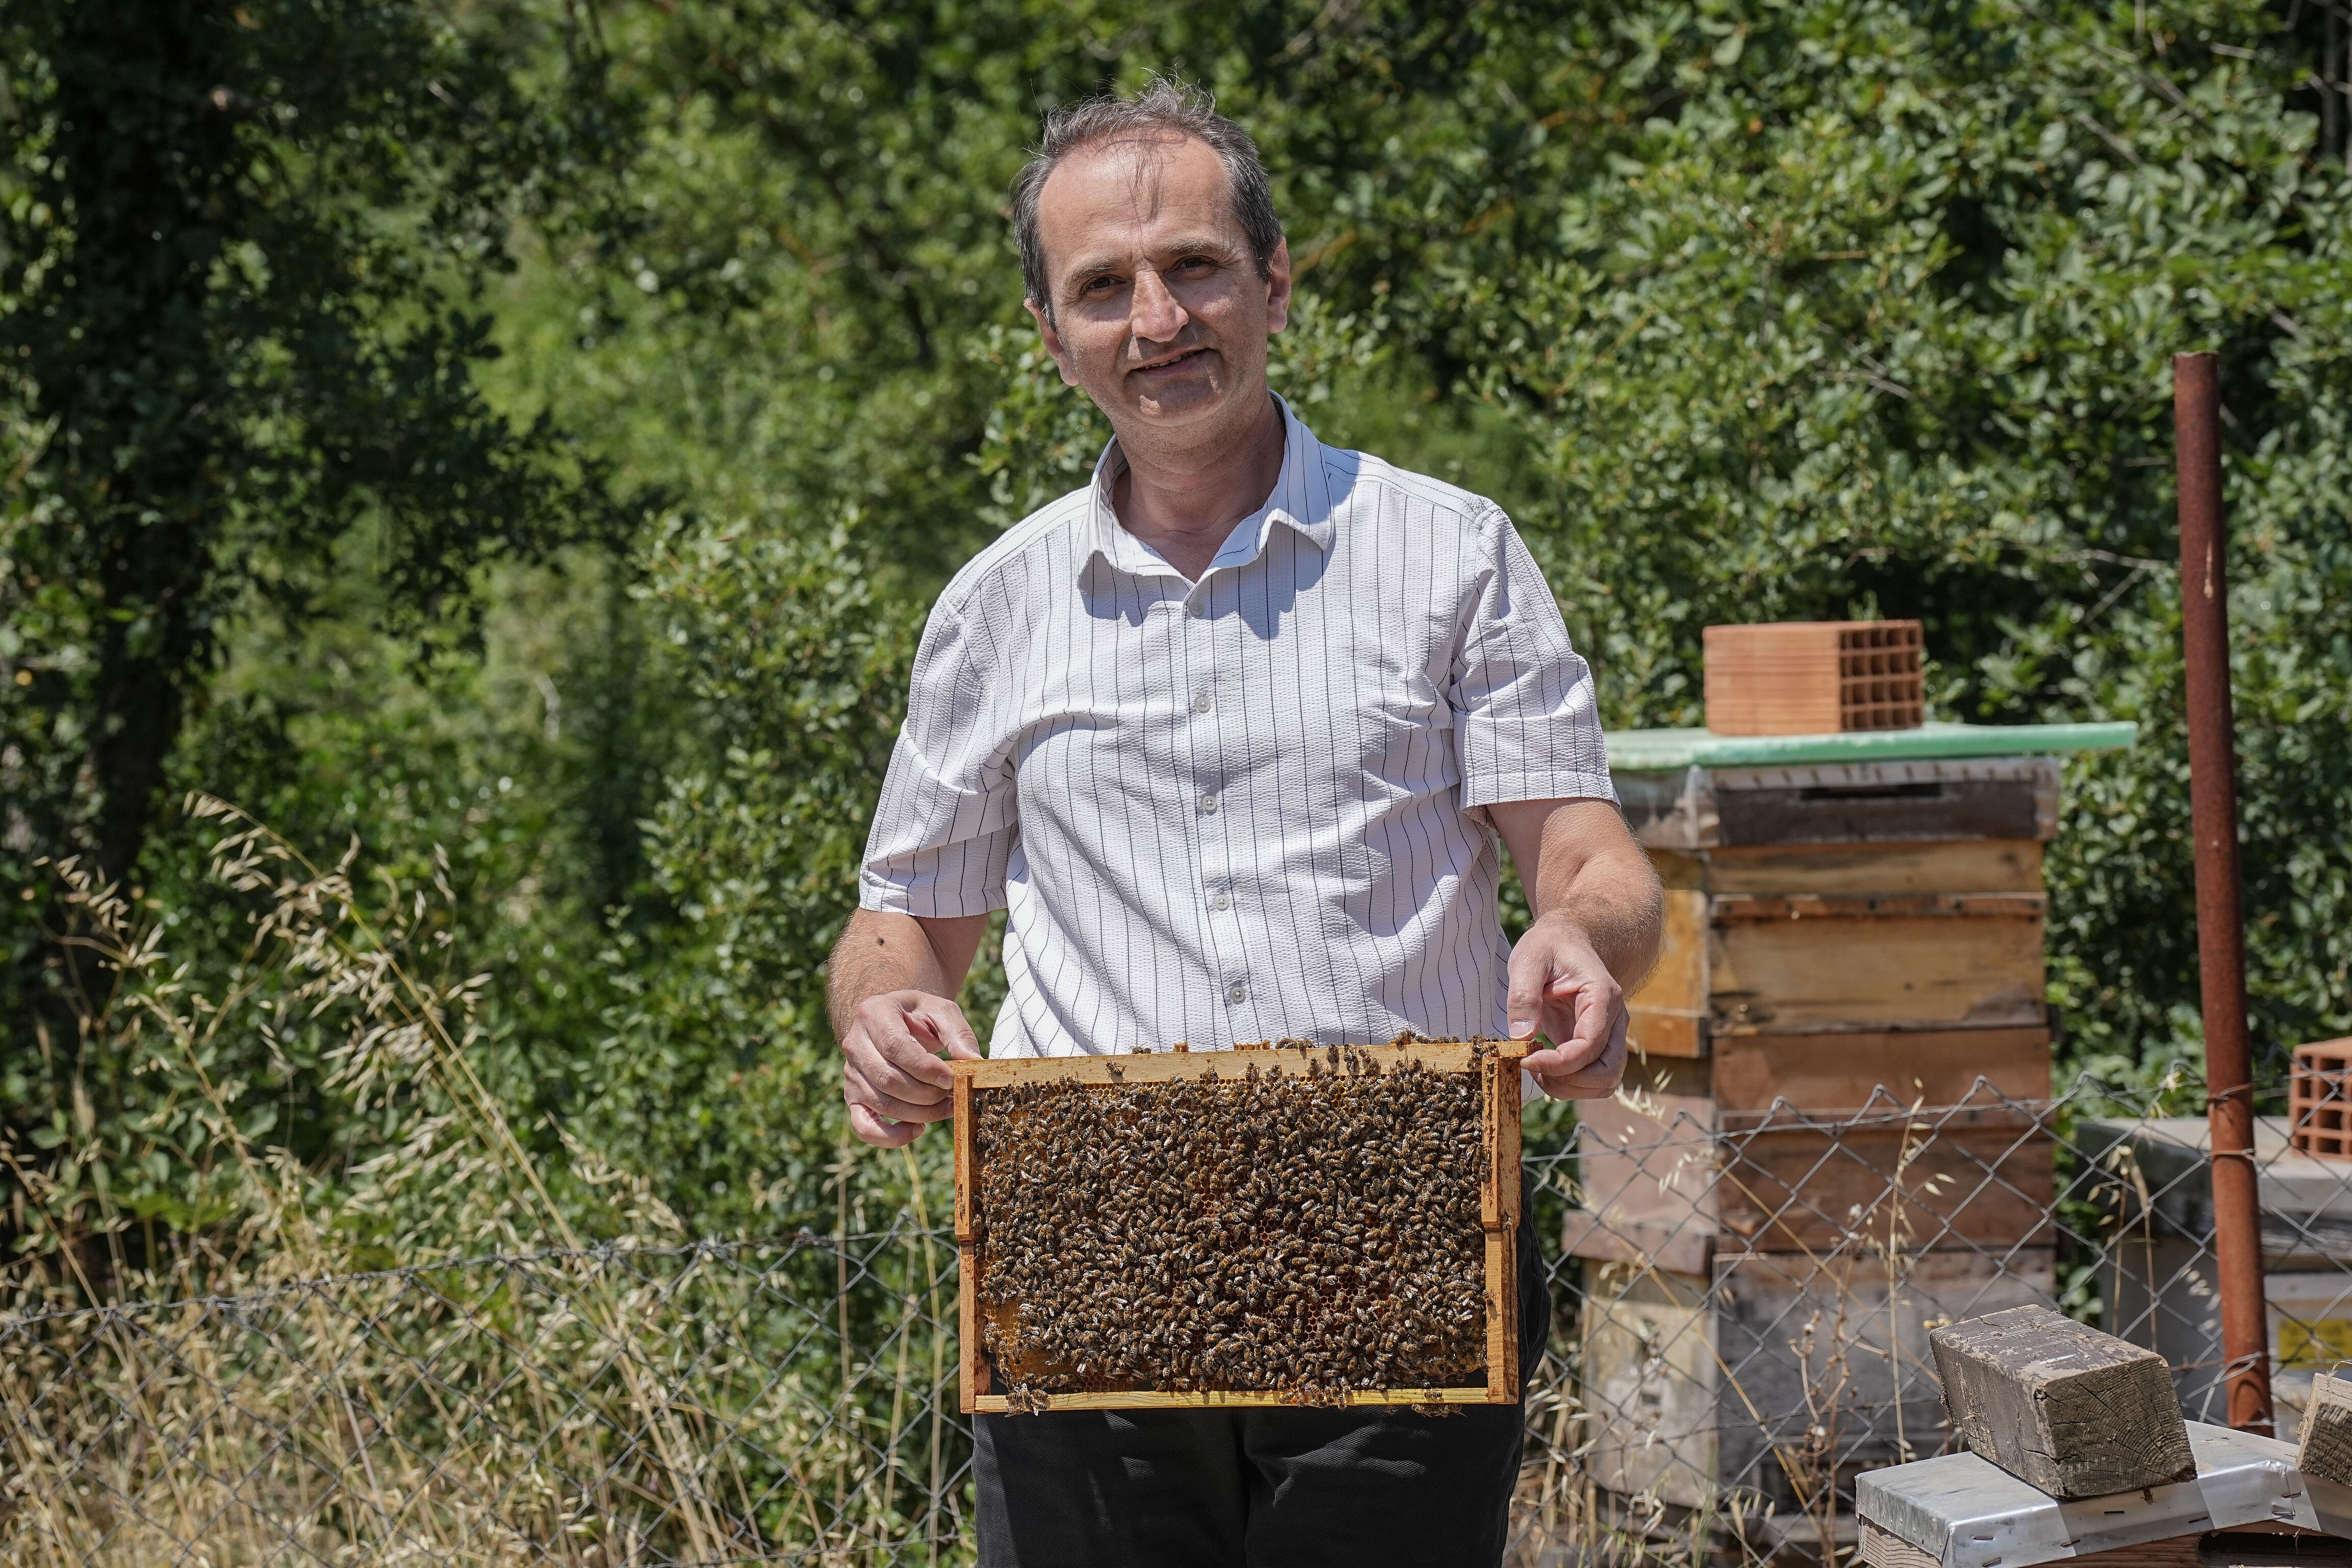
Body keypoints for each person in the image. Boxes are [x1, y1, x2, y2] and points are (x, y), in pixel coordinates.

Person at [827, 77, 1663, 1568]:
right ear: (1049, 335)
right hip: (1084, 1244)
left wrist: (1584, 942)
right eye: (1103, 288)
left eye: (1195, 266)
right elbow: (900, 926)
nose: (1158, 320)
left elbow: (1590, 861)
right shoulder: (994, 608)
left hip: (1401, 1226)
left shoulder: (1450, 554)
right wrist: (883, 1014)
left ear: (1275, 284)